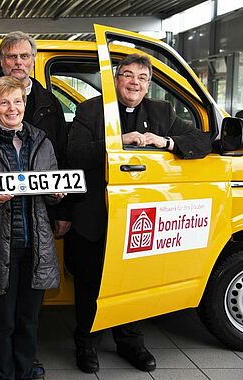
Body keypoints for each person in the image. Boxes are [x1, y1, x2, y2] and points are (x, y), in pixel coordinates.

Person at [66, 54, 212, 374]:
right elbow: (74, 153)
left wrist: (166, 141)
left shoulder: (162, 111)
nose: (134, 82)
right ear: (116, 78)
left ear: (148, 84)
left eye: (142, 78)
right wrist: (118, 142)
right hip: (98, 213)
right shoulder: (91, 109)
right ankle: (86, 342)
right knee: (91, 282)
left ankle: (130, 341)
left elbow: (202, 140)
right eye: (127, 75)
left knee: (136, 278)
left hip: (141, 217)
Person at [0, 30, 69, 379]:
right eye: (11, 57)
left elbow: (57, 170)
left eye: (17, 103)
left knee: (27, 316)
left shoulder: (44, 133)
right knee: (0, 316)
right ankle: (0, 368)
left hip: (34, 237)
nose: (12, 108)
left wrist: (58, 197)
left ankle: (24, 367)